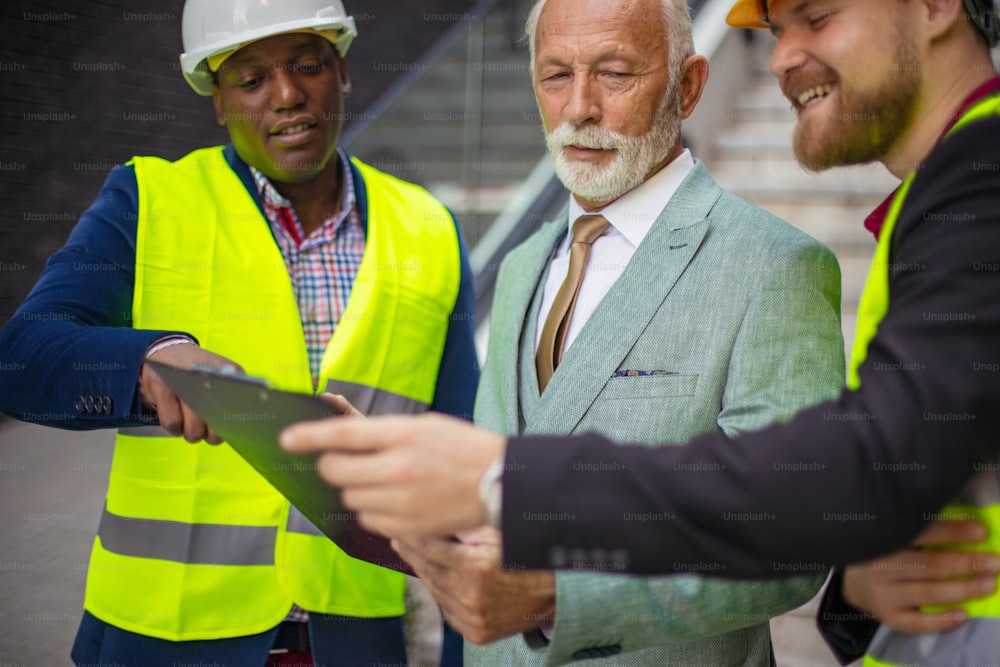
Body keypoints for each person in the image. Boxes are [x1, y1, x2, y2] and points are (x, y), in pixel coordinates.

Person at [280, 0, 1000, 664]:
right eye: (555, 75)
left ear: (689, 88)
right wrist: (404, 500)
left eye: (616, 74)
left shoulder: (774, 265)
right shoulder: (524, 263)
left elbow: (809, 511)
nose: (579, 108)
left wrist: (545, 572)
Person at [0, 0, 478, 665]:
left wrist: (470, 648)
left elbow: (460, 453)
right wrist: (148, 358)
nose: (286, 95)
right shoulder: (148, 200)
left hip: (356, 640)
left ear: (342, 71)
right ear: (218, 100)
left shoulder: (430, 229)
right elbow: (20, 358)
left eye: (307, 65)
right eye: (250, 80)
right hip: (164, 638)